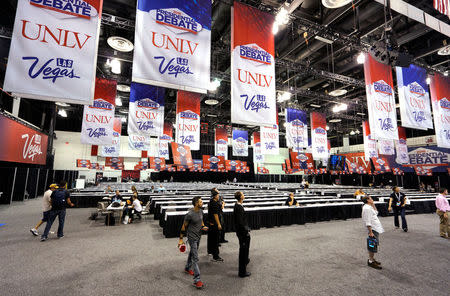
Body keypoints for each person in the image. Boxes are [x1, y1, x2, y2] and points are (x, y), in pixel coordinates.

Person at [178, 197, 208, 289]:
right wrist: (180, 239)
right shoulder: (189, 214)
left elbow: (201, 221)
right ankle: (197, 280)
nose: (202, 203)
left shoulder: (201, 211)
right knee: (195, 258)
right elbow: (184, 227)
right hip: (192, 237)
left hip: (199, 236)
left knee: (192, 253)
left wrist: (203, 226)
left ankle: (187, 268)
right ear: (195, 203)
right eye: (200, 202)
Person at [361, 196, 383, 269]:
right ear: (367, 200)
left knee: (374, 244)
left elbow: (376, 212)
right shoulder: (367, 208)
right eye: (371, 199)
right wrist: (370, 232)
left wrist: (373, 204)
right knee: (372, 245)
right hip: (372, 229)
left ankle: (372, 259)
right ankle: (370, 261)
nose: (372, 200)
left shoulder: (369, 207)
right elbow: (367, 221)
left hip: (375, 228)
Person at [234, 191, 251, 277]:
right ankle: (242, 272)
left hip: (241, 232)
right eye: (242, 194)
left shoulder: (237, 205)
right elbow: (240, 222)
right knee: (243, 251)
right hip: (242, 233)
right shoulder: (239, 207)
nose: (244, 195)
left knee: (244, 251)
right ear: (240, 197)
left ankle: (245, 262)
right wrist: (246, 231)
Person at [207, 190, 223, 262]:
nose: (219, 196)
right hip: (214, 224)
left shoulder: (211, 202)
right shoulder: (214, 203)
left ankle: (211, 251)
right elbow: (215, 215)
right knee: (215, 240)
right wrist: (219, 224)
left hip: (211, 223)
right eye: (218, 195)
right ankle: (216, 256)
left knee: (212, 238)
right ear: (215, 196)